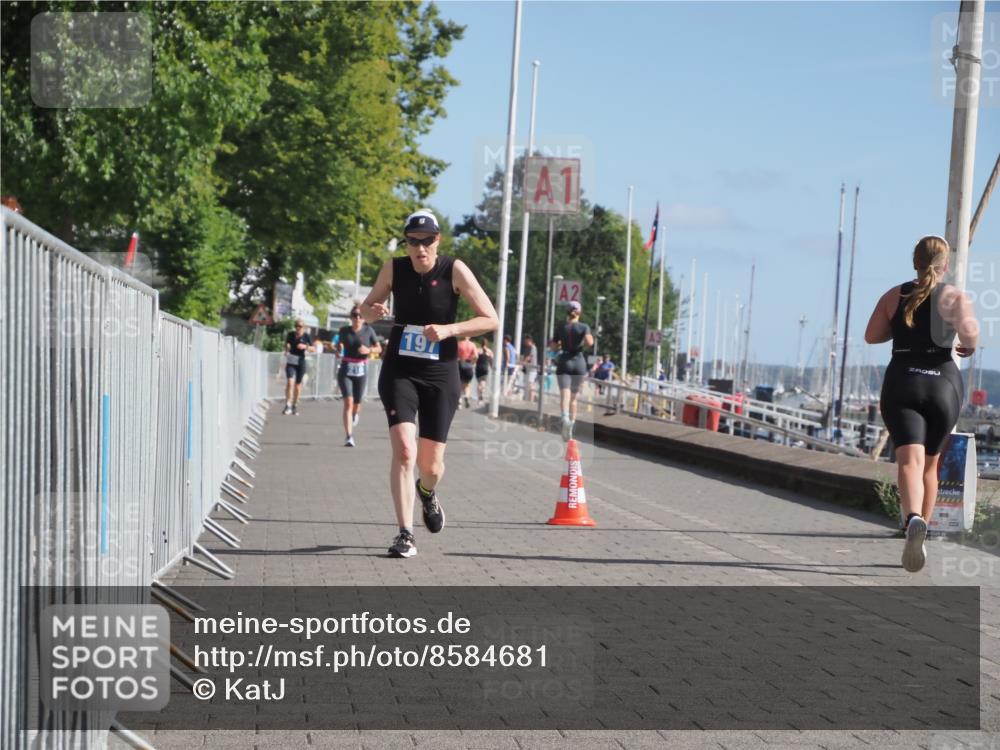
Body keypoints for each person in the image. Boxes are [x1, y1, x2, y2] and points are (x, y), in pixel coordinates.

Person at [360, 209, 499, 559]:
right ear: (405, 242)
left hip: (441, 371)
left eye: (426, 241)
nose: (420, 248)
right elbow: (366, 307)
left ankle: (427, 491)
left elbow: (490, 319)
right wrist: (369, 312)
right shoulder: (394, 268)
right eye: (412, 241)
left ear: (438, 240)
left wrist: (450, 330)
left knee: (431, 466)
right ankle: (405, 533)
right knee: (405, 450)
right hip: (400, 369)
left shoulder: (454, 269)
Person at [864, 235, 978, 573]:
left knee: (908, 463)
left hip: (903, 380)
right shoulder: (956, 296)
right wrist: (967, 345)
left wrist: (900, 329)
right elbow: (970, 336)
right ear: (944, 266)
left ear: (914, 262)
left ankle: (911, 518)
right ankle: (922, 532)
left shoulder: (894, 295)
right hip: (943, 384)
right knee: (931, 466)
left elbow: (872, 335)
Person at [337, 305, 381, 446]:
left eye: (360, 315)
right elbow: (338, 345)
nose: (357, 318)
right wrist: (338, 349)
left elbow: (379, 348)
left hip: (361, 369)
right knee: (348, 402)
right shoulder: (344, 331)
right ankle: (349, 436)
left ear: (363, 318)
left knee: (357, 403)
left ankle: (355, 414)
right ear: (351, 317)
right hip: (346, 369)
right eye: (354, 315)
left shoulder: (369, 331)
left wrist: (368, 349)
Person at [553, 300, 594, 440]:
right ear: (579, 312)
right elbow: (590, 342)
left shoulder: (561, 326)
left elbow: (553, 347)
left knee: (565, 394)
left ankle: (564, 419)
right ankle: (572, 424)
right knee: (574, 399)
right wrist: (582, 343)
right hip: (579, 362)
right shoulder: (584, 327)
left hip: (564, 361)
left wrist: (560, 345)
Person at [283, 319, 314, 415]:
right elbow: (287, 344)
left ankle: (294, 405)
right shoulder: (291, 334)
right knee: (290, 382)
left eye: (300, 326)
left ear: (303, 327)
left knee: (297, 385)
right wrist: (287, 348)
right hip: (291, 361)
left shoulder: (306, 336)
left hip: (301, 362)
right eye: (296, 325)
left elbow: (313, 348)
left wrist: (306, 347)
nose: (298, 328)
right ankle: (288, 404)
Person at [457, 336, 478, 409]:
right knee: (467, 384)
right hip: (468, 365)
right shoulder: (472, 345)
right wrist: (473, 363)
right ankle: (466, 396)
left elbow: (455, 355)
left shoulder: (459, 344)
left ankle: (459, 401)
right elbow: (476, 356)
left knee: (459, 383)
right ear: (468, 337)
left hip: (459, 364)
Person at [521, 335, 539, 402]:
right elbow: (525, 357)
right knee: (526, 384)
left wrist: (523, 363)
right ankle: (527, 399)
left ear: (529, 340)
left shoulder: (533, 347)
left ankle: (531, 400)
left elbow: (529, 357)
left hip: (532, 369)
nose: (524, 342)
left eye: (526, 340)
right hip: (527, 369)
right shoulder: (526, 348)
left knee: (530, 384)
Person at [475, 338, 493, 404]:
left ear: (481, 343)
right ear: (487, 343)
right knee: (483, 384)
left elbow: (475, 358)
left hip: (478, 368)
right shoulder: (489, 351)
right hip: (485, 368)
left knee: (479, 383)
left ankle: (479, 398)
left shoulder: (478, 350)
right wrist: (492, 367)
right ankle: (481, 397)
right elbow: (491, 360)